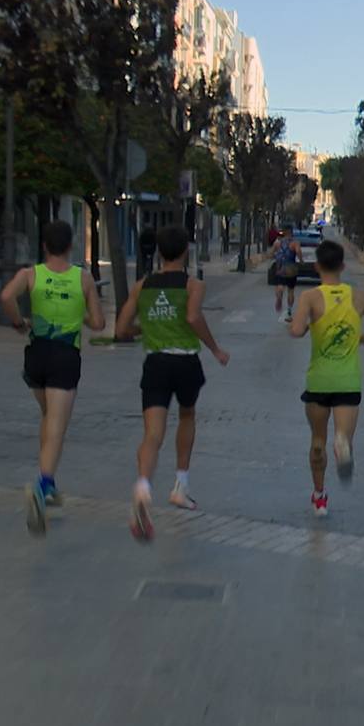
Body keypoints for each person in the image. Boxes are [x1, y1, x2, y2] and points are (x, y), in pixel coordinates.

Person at [116, 226, 230, 541]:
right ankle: (181, 485)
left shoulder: (142, 287)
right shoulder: (194, 285)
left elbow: (121, 329)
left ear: (159, 252)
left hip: (155, 364)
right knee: (187, 415)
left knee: (152, 433)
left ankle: (143, 486)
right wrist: (215, 349)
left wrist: (146, 328)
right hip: (185, 363)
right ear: (185, 252)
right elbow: (192, 318)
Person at [0, 219, 107, 536]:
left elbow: (6, 297)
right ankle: (41, 485)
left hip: (36, 355)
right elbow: (99, 323)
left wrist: (19, 323)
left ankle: (49, 486)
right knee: (57, 427)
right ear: (71, 246)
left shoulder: (30, 274)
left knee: (48, 417)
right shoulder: (82, 278)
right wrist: (79, 314)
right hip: (64, 357)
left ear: (44, 246)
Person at [289, 239, 364, 517]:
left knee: (317, 440)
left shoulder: (310, 298)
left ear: (317, 266)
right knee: (343, 434)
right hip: (348, 381)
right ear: (343, 266)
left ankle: (319, 497)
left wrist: (305, 326)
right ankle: (342, 441)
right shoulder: (359, 297)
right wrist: (358, 339)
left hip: (319, 381)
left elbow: (295, 331)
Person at [271, 229, 301, 321]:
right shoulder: (295, 243)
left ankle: (279, 295)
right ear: (291, 233)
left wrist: (276, 257)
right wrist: (301, 260)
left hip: (280, 268)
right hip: (291, 268)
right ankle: (289, 311)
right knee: (291, 290)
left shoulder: (277, 243)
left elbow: (271, 253)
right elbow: (298, 252)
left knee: (280, 285)